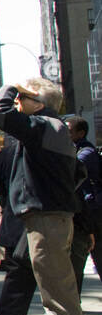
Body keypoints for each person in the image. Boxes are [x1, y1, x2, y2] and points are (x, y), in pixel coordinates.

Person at [0, 78, 89, 315]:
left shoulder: (44, 126)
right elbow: (77, 177)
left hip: (47, 221)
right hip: (51, 218)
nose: (19, 102)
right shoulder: (54, 129)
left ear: (39, 103)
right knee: (58, 295)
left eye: (25, 98)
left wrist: (12, 86)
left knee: (58, 298)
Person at [0, 135, 36, 315]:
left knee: (15, 285)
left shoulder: (4, 154)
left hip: (15, 225)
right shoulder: (51, 146)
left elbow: (1, 190)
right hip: (44, 225)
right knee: (59, 289)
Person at [67, 118, 102, 291]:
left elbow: (70, 170)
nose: (66, 134)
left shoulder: (86, 152)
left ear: (80, 133)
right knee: (75, 264)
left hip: (93, 216)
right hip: (84, 216)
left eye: (69, 131)